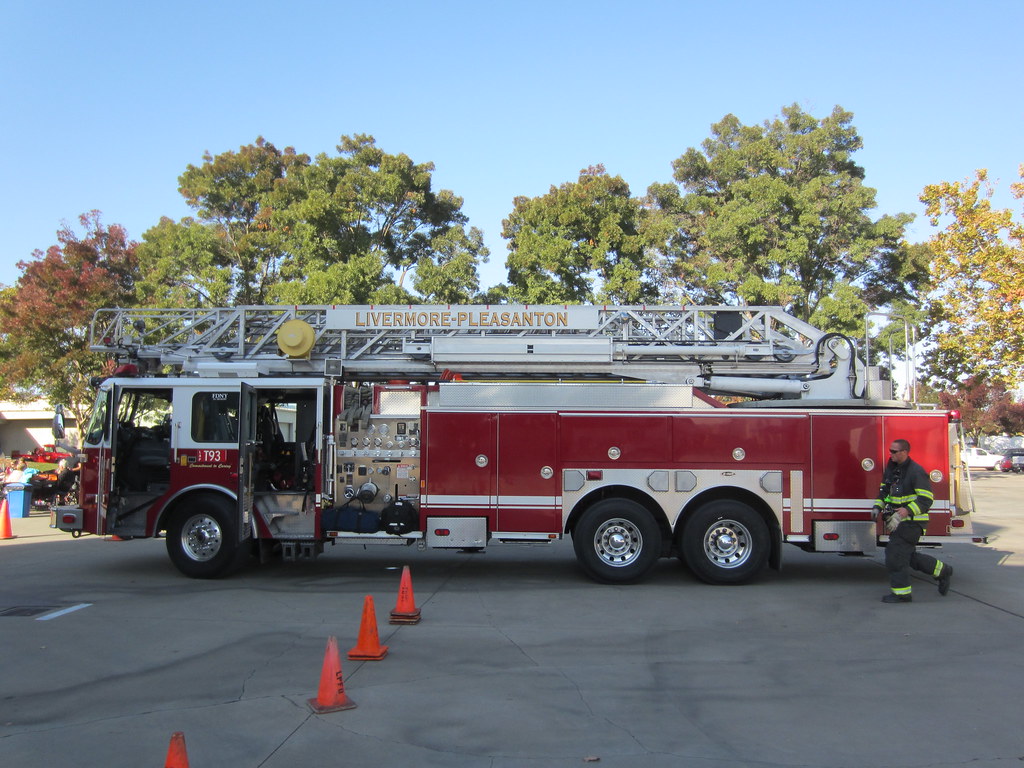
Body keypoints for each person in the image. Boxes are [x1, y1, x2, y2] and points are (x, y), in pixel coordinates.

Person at [873, 439, 953, 603]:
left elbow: (926, 499)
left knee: (895, 556)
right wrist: (877, 507)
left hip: (912, 522)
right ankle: (942, 571)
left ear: (904, 452)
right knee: (906, 556)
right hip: (898, 522)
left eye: (894, 451)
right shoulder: (893, 470)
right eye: (890, 451)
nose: (891, 454)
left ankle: (902, 594)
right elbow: (885, 492)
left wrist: (906, 511)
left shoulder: (915, 471)